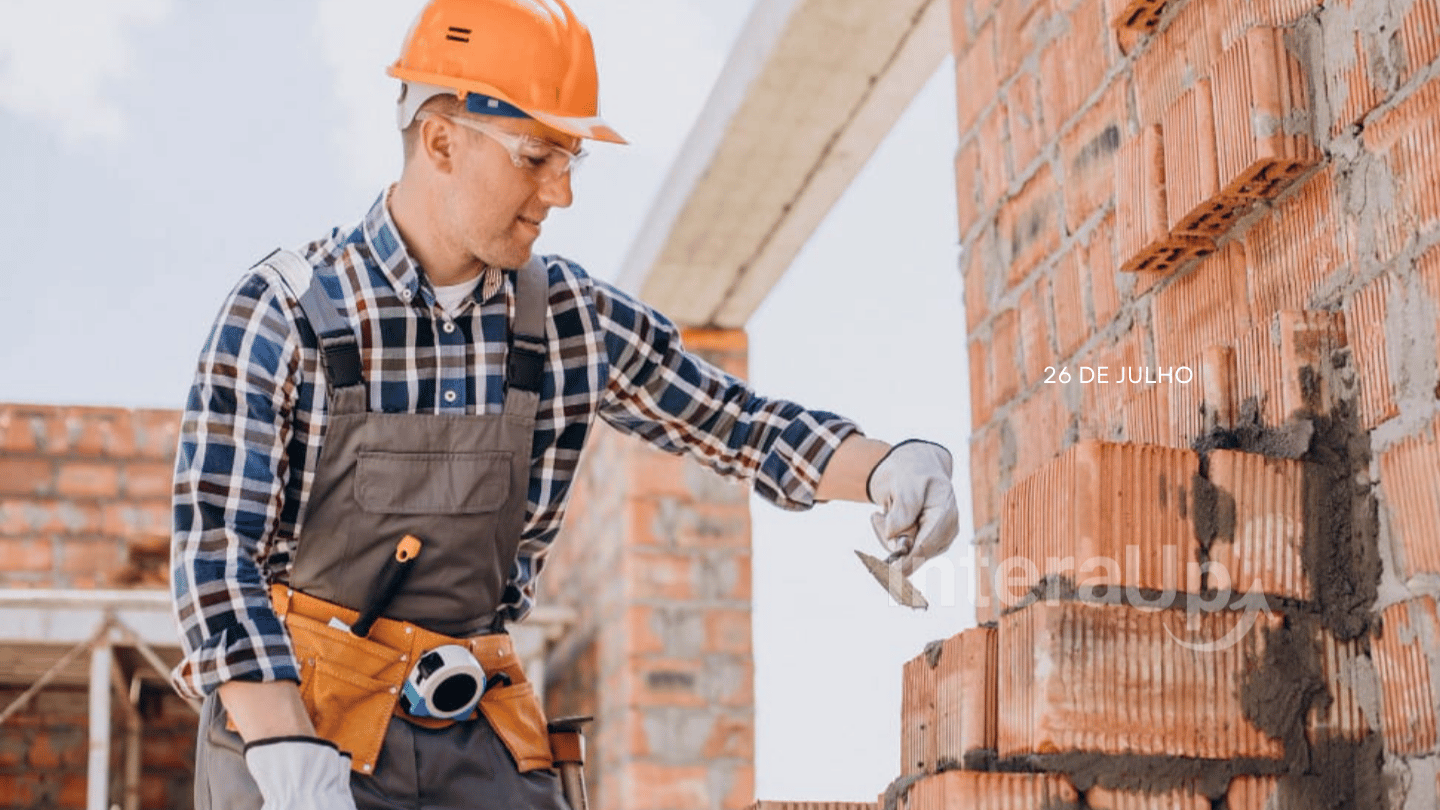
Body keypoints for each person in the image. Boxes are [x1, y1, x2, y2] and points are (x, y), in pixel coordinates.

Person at [168, 1, 960, 808]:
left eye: (571, 159)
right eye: (537, 155)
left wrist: (887, 465)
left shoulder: (565, 321)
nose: (563, 192)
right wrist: (286, 756)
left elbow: (736, 423)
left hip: (469, 727)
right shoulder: (288, 310)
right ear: (441, 139)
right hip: (297, 730)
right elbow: (216, 560)